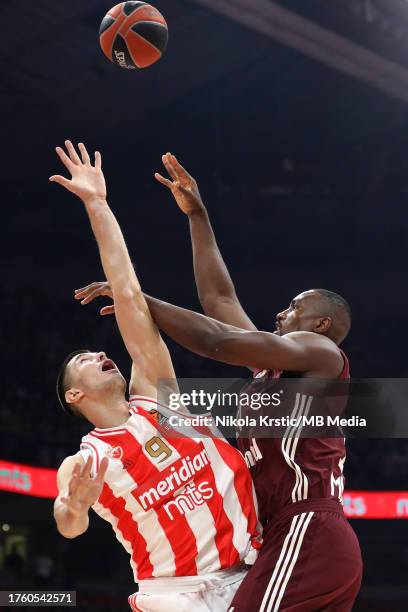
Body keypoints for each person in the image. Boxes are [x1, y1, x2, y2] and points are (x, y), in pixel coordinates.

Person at [77, 153, 363, 611]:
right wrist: (198, 216)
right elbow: (218, 299)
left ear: (322, 324)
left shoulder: (323, 356)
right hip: (285, 536)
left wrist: (135, 297)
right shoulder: (274, 371)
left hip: (306, 529)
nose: (279, 314)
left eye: (293, 307)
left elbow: (217, 341)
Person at [49, 142, 261, 612]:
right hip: (175, 594)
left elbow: (126, 290)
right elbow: (67, 522)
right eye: (85, 357)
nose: (101, 351)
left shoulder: (157, 393)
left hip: (249, 574)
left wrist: (97, 203)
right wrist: (77, 506)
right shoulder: (85, 461)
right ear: (75, 394)